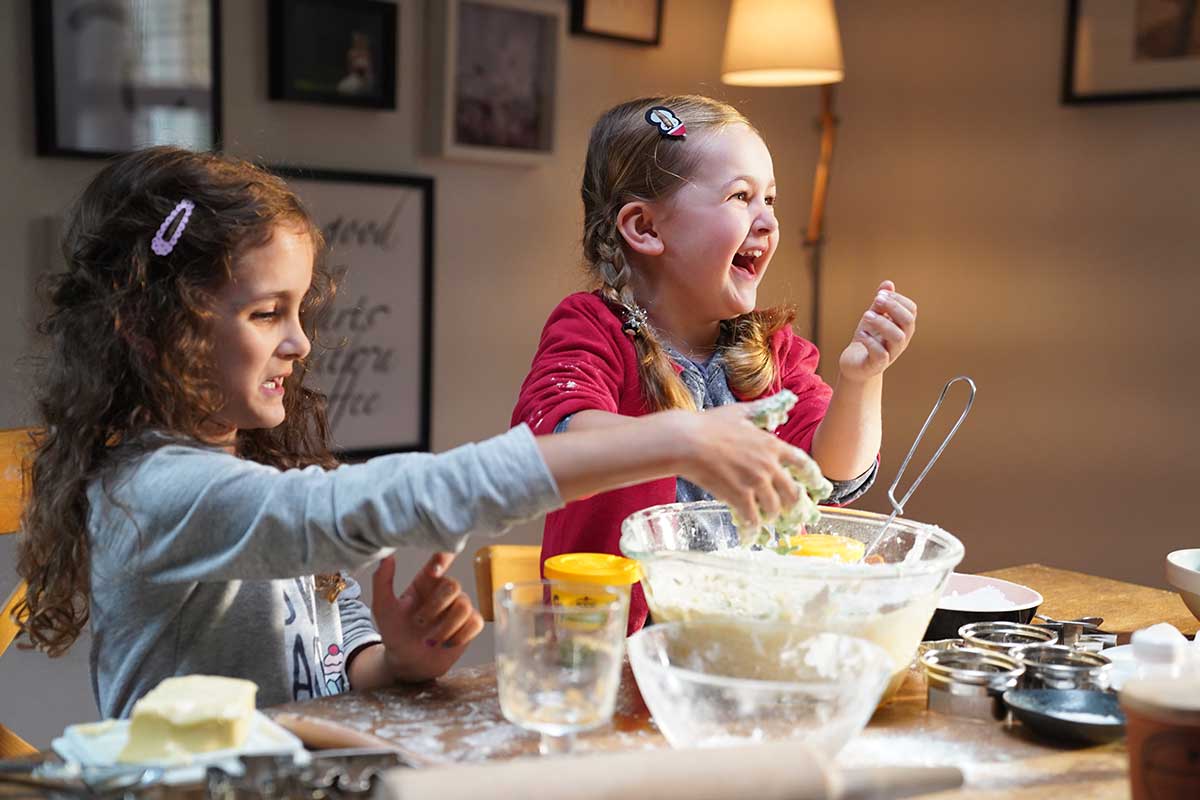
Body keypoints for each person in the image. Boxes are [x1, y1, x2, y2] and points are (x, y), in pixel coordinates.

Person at [14, 146, 810, 718]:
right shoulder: (157, 491)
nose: (299, 344)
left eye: (300, 313)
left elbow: (323, 653)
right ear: (151, 331)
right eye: (266, 315)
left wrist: (389, 660)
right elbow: (357, 509)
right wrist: (672, 438)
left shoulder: (241, 462)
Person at [511, 95, 918, 632]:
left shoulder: (769, 350)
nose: (769, 221)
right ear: (645, 228)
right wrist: (688, 439)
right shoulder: (593, 330)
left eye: (770, 199)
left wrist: (861, 379)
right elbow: (553, 444)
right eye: (740, 196)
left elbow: (832, 474)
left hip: (750, 636)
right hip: (615, 651)